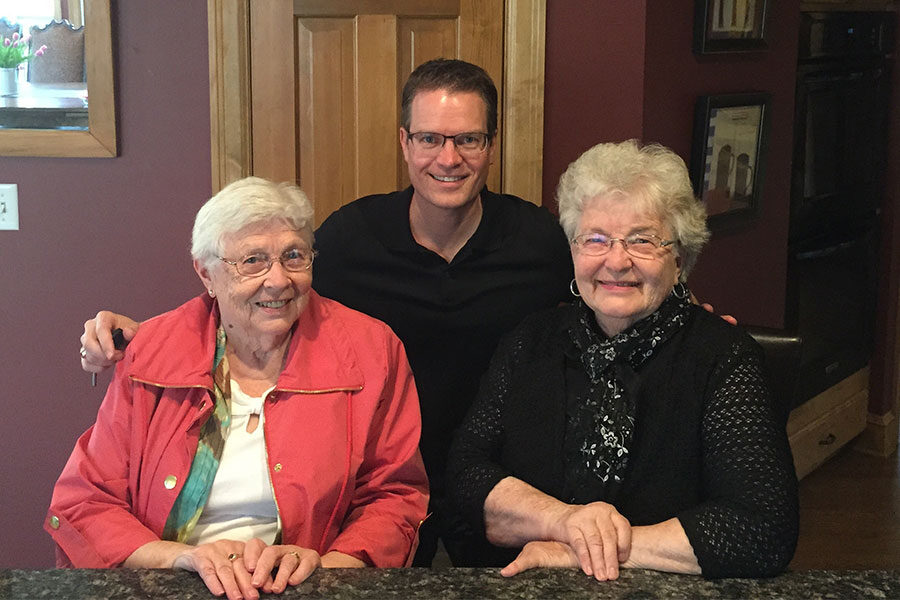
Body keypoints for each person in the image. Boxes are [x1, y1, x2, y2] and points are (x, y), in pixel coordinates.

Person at [77, 59, 574, 566]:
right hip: (368, 471)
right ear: (405, 142)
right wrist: (160, 340)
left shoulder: (541, 242)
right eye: (429, 138)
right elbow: (259, 295)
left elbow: (595, 316)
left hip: (491, 478)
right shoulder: (351, 237)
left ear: (491, 145)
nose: (448, 158)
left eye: (468, 139)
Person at [48, 177, 429, 600]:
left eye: (293, 256)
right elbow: (87, 500)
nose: (279, 280)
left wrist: (326, 567)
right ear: (206, 273)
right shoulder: (151, 352)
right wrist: (177, 557)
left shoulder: (371, 350)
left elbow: (395, 496)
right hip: (174, 582)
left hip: (310, 585)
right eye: (253, 261)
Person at [446, 140, 798, 580]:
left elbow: (761, 529)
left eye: (642, 240)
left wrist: (585, 550)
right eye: (595, 239)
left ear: (680, 258)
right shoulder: (529, 341)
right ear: (573, 250)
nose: (616, 261)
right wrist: (563, 521)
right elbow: (465, 473)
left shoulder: (723, 358)